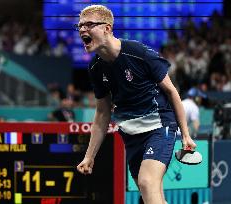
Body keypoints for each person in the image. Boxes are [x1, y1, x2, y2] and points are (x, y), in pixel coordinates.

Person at [76, 5, 196, 204]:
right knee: (149, 192)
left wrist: (185, 134)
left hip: (160, 126)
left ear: (107, 28)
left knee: (147, 182)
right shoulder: (95, 68)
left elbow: (172, 91)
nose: (82, 30)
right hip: (131, 135)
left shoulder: (138, 53)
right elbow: (102, 113)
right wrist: (90, 156)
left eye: (88, 25)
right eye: (79, 26)